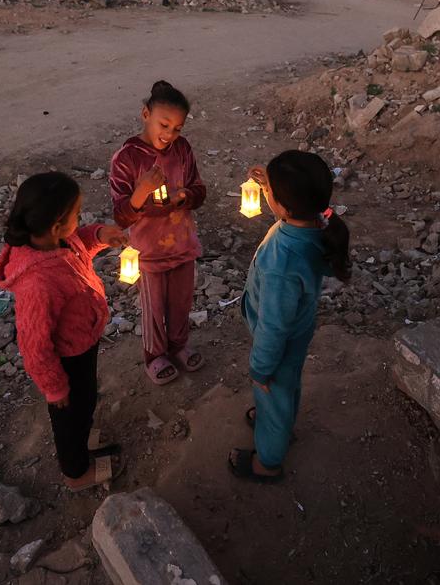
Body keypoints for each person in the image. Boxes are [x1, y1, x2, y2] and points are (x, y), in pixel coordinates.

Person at [0, 171, 128, 490]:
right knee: (69, 414)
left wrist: (99, 235)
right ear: (56, 225)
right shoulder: (38, 284)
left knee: (87, 398)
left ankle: (83, 436)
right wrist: (55, 388)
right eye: (76, 214)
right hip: (66, 358)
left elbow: (80, 242)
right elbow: (35, 346)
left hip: (82, 341)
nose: (79, 220)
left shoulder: (57, 240)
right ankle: (76, 472)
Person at [229, 150, 352, 483]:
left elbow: (272, 327)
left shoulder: (280, 264)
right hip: (299, 328)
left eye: (270, 192)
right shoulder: (315, 225)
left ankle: (268, 460)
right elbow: (294, 213)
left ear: (283, 206)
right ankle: (279, 422)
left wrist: (260, 369)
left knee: (274, 390)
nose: (265, 193)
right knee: (288, 383)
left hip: (280, 341)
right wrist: (273, 184)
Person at [109, 80, 208, 385]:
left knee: (181, 302)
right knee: (154, 308)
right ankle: (155, 355)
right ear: (145, 114)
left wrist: (183, 196)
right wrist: (142, 191)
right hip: (149, 249)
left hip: (182, 242)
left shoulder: (182, 150)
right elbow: (122, 215)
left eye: (177, 128)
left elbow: (199, 191)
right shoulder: (127, 159)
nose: (169, 134)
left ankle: (178, 346)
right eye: (164, 124)